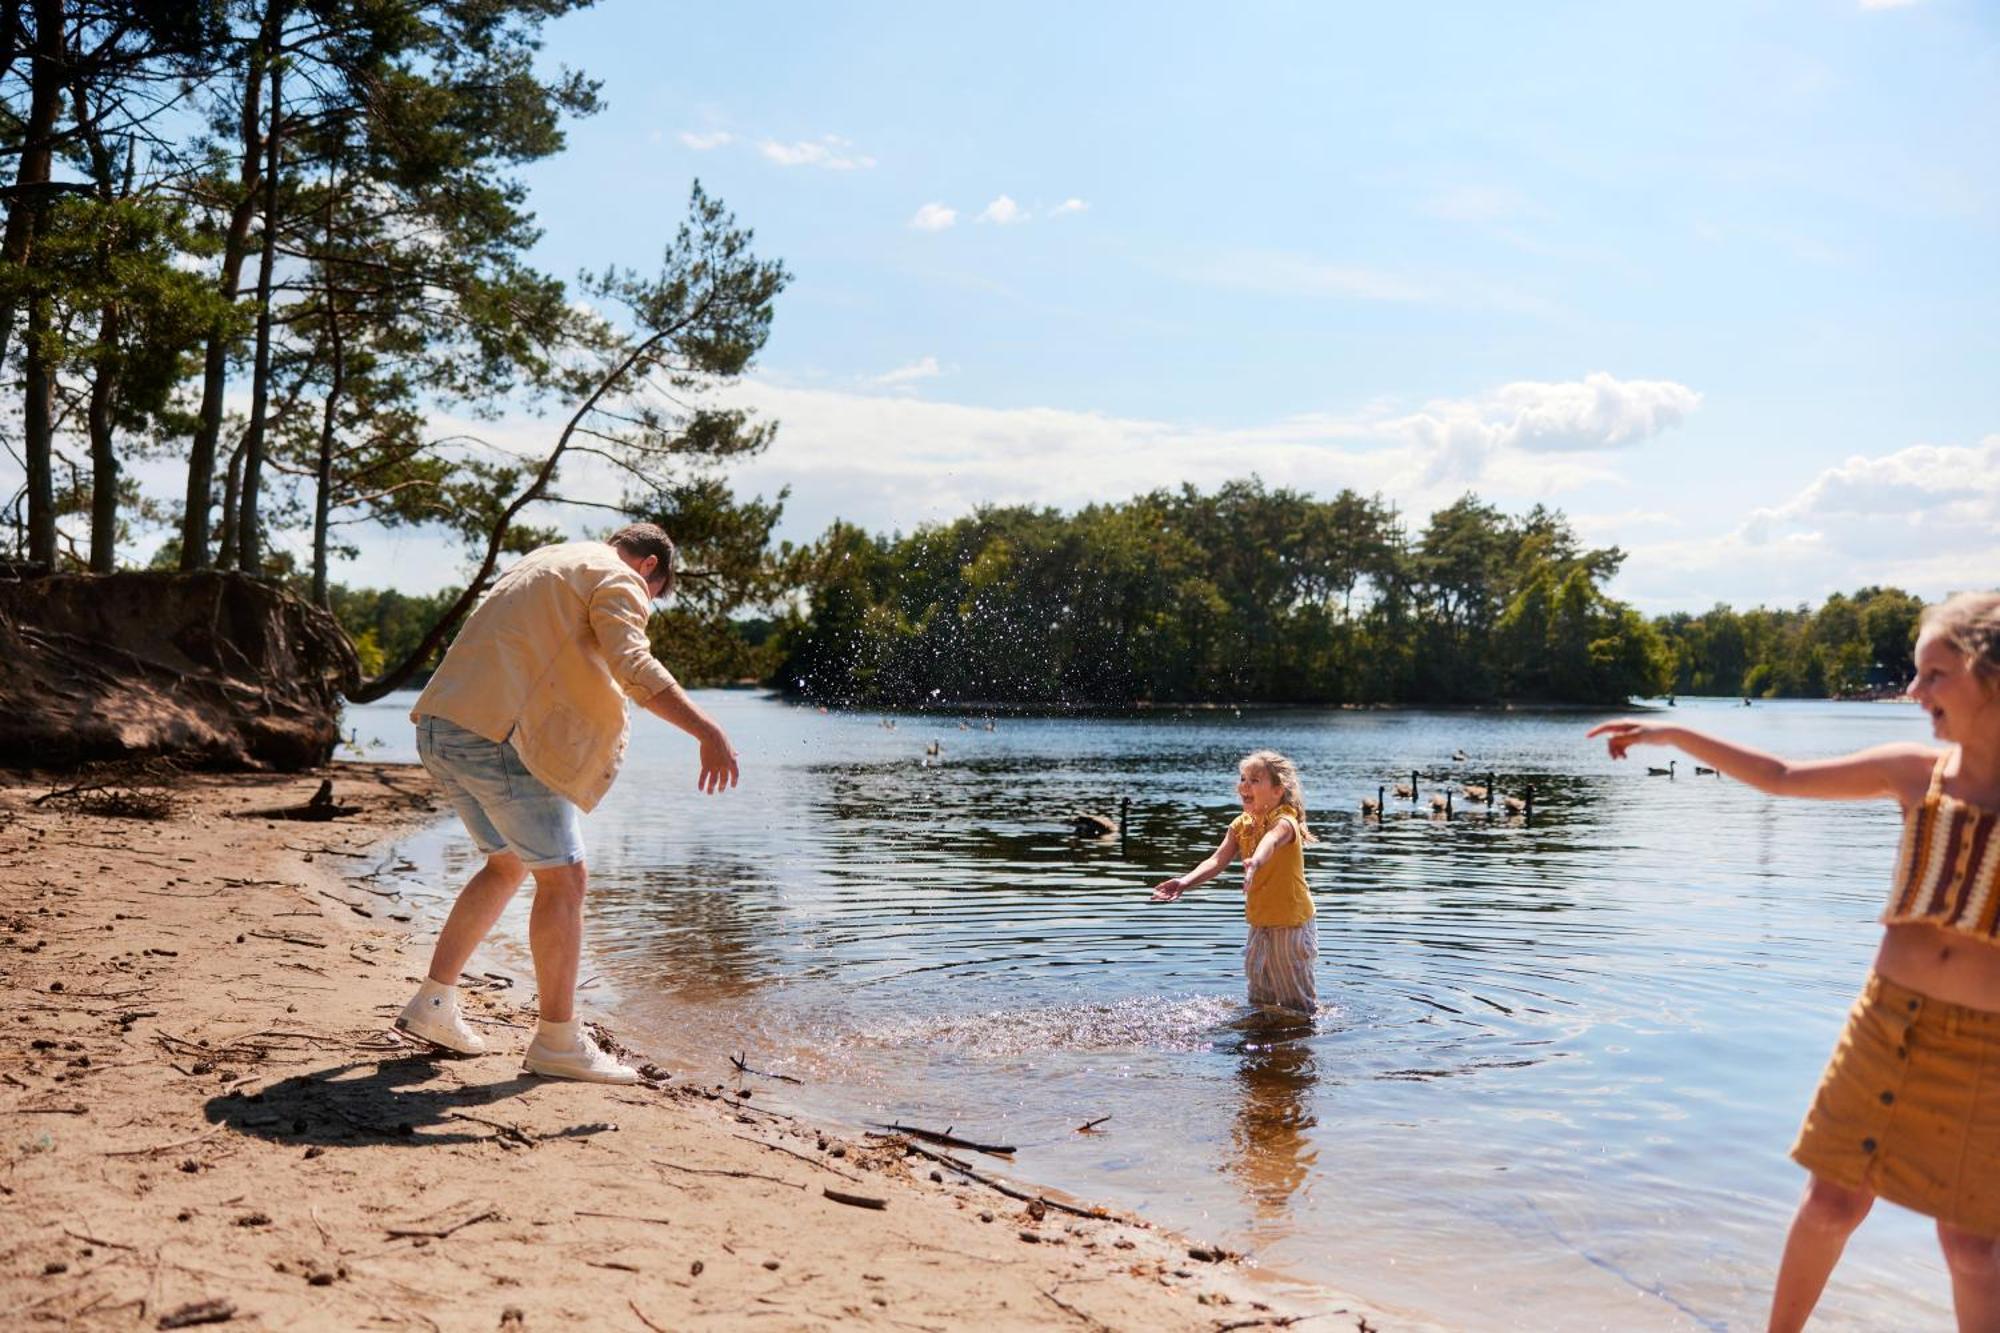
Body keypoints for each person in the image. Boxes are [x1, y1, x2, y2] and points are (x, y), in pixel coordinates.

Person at [1588, 591, 2000, 1332]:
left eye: (1933, 674)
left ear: (1988, 674)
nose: (1914, 692)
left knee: (1971, 1245)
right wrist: (1677, 732)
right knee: (1832, 1202)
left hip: (1985, 1050)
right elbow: (1781, 774)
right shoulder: (1916, 771)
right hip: (1885, 1023)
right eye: (1915, 674)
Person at [393, 523, 739, 1084]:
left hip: (442, 724)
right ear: (651, 566)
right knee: (565, 879)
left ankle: (433, 1003)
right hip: (495, 735)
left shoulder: (552, 559)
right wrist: (707, 729)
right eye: (656, 594)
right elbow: (633, 666)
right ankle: (557, 1040)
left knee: (506, 863)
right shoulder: (622, 579)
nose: (646, 601)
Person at [1150, 750, 1319, 1014]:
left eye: (1254, 780)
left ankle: (1303, 1041)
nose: (1244, 785)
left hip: (1291, 923)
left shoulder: (1285, 821)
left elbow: (1271, 840)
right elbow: (1216, 861)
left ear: (1278, 790)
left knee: (1295, 1000)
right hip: (1260, 922)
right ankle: (1265, 1042)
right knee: (1259, 994)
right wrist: (1184, 882)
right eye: (1243, 778)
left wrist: (1256, 862)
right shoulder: (1241, 824)